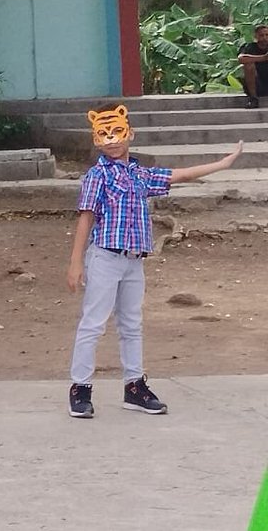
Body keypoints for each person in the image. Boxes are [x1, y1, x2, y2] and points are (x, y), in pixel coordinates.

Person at [66, 105, 242, 419]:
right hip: (105, 256)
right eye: (104, 135)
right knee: (93, 323)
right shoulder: (97, 175)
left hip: (134, 260)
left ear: (129, 134)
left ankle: (134, 386)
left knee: (132, 325)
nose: (112, 140)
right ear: (96, 140)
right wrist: (75, 262)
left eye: (117, 132)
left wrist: (223, 163)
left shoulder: (141, 174)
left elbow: (181, 175)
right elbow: (86, 218)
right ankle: (80, 388)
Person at [238, 24, 268, 108]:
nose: (264, 38)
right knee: (249, 65)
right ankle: (253, 99)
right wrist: (264, 58)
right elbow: (241, 59)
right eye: (261, 35)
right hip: (256, 86)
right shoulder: (249, 47)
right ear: (256, 36)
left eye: (267, 35)